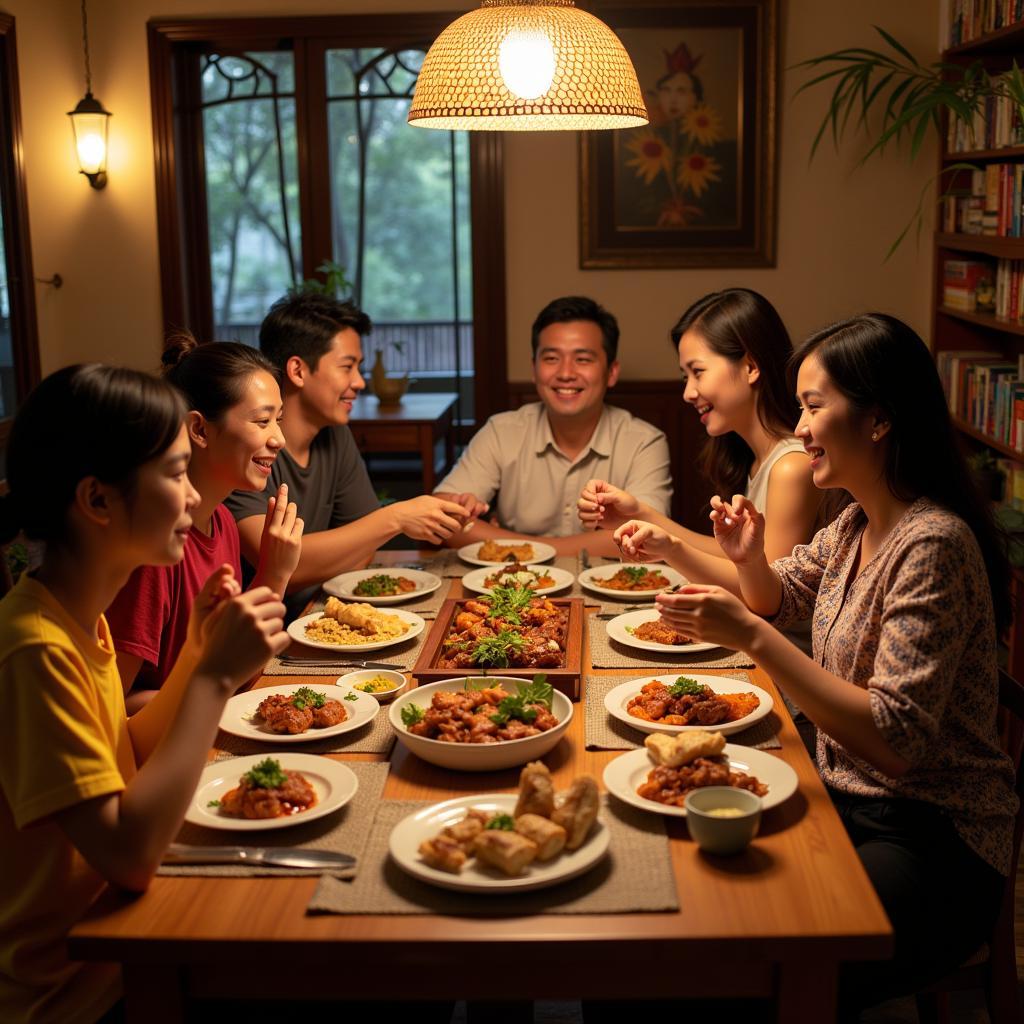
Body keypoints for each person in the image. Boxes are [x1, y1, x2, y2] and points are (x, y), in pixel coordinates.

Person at [629, 313, 1017, 1014]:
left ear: (878, 421)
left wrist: (749, 632)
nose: (800, 429)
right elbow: (784, 598)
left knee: (727, 967)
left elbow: (895, 741)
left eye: (813, 407)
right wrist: (748, 561)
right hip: (847, 794)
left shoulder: (933, 544)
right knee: (668, 897)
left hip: (934, 834)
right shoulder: (855, 522)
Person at [0, 364, 290, 1024]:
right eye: (176, 473)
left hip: (137, 938)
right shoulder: (34, 647)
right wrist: (215, 678)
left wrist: (194, 653)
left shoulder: (78, 616)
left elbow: (126, 748)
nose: (194, 498)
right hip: (83, 989)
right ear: (98, 501)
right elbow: (128, 855)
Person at [579, 289, 823, 651]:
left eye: (698, 372)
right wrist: (642, 514)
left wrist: (673, 549)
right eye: (684, 377)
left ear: (751, 367)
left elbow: (763, 594)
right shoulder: (758, 457)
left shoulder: (791, 467)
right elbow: (740, 558)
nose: (688, 393)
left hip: (784, 665)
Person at [225, 292, 474, 617]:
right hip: (253, 636)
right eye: (347, 367)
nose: (359, 382)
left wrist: (349, 544)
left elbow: (364, 548)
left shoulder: (334, 433)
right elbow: (277, 564)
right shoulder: (247, 447)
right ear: (298, 370)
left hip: (318, 612)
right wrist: (394, 518)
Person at [107, 337, 303, 710]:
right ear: (198, 429)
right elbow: (114, 705)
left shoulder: (223, 521)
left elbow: (236, 668)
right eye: (262, 421)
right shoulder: (155, 547)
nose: (278, 439)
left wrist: (274, 574)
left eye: (278, 421)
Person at [434, 295, 672, 557]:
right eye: (551, 358)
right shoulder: (502, 431)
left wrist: (511, 543)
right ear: (534, 369)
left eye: (582, 359)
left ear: (611, 372)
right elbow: (440, 515)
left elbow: (649, 536)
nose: (566, 373)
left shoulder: (644, 441)